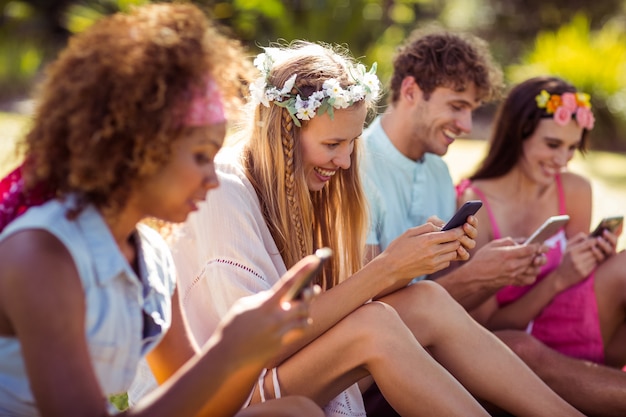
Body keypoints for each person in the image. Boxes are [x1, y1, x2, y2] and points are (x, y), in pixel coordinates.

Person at [169, 40, 584, 417]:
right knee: (375, 326)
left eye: (350, 144)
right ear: (283, 130)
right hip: (232, 391)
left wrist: (424, 261)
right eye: (332, 145)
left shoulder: (305, 187)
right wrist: (387, 268)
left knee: (425, 298)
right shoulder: (223, 192)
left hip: (290, 364)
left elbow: (334, 307)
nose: (346, 162)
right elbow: (256, 350)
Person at [0, 4, 326, 416]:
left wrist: (248, 351)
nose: (213, 179)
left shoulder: (151, 254)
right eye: (200, 156)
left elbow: (204, 407)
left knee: (295, 411)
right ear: (141, 150)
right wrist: (227, 352)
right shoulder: (43, 256)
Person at [359, 25, 626, 416]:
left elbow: (446, 296)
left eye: (472, 109)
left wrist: (489, 274)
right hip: (398, 350)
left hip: (446, 335)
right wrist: (482, 275)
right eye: (457, 106)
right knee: (521, 349)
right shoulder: (358, 166)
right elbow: (372, 299)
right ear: (412, 91)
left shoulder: (435, 169)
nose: (468, 126)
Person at [458, 75, 626, 416]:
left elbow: (582, 286)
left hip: (579, 319)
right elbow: (488, 328)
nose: (562, 160)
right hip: (522, 336)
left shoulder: (574, 189)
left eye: (571, 148)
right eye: (552, 145)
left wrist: (593, 258)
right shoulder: (476, 204)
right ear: (518, 133)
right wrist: (558, 279)